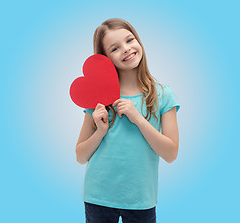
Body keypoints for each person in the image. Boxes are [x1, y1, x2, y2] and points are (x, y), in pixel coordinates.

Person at [75, 18, 181, 223]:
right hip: (98, 197)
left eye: (130, 40)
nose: (126, 49)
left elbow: (171, 153)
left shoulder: (163, 95)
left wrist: (138, 119)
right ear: (105, 58)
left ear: (139, 41)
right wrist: (100, 131)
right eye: (115, 48)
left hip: (141, 199)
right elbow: (80, 156)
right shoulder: (97, 98)